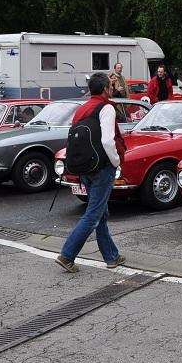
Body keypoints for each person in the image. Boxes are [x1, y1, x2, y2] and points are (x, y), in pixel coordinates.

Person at [56, 72, 126, 273]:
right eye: (110, 87)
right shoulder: (106, 107)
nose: (112, 89)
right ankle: (67, 255)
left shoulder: (82, 109)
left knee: (100, 213)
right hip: (102, 167)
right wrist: (116, 161)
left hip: (84, 166)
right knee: (94, 214)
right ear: (105, 89)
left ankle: (112, 257)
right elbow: (107, 140)